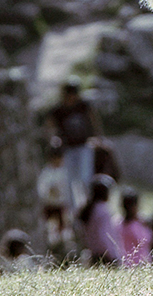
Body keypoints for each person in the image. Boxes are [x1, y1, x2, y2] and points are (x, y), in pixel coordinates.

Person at [46, 77, 104, 212]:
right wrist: (53, 140)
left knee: (85, 177)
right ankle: (72, 210)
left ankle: (89, 207)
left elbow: (94, 120)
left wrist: (99, 137)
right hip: (67, 149)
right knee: (68, 181)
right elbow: (49, 126)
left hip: (83, 146)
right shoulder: (58, 110)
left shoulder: (83, 106)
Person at [78, 174, 122, 266]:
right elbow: (105, 236)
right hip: (105, 255)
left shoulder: (90, 209)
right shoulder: (103, 210)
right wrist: (114, 255)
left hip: (93, 253)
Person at [36, 137, 72, 249]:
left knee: (65, 231)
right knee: (50, 230)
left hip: (63, 205)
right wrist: (50, 191)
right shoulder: (47, 172)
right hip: (51, 205)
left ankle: (65, 249)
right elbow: (42, 189)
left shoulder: (66, 171)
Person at [118, 187, 153, 267]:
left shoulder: (118, 222)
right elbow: (147, 240)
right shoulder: (136, 225)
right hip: (139, 263)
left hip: (126, 262)